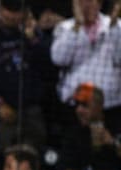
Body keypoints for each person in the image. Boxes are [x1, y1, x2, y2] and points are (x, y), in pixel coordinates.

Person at [0, 0, 48, 150]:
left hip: (30, 112)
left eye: (16, 12)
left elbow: (46, 68)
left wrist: (33, 39)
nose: (11, 16)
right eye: (8, 10)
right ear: (0, 9)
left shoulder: (32, 33)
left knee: (31, 158)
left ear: (25, 13)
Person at [51, 0, 121, 134]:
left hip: (109, 105)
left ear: (99, 4)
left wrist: (114, 28)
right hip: (75, 105)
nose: (86, 6)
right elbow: (59, 59)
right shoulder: (65, 27)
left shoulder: (116, 26)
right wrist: (77, 26)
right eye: (81, 2)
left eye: (90, 1)